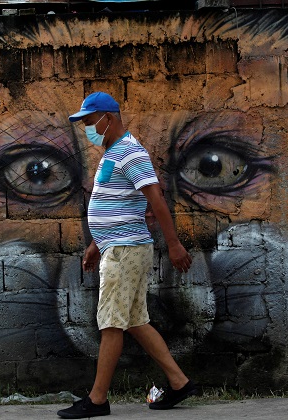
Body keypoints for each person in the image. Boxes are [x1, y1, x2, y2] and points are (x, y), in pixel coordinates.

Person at [57, 92, 198, 419]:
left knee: (110, 322)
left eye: (91, 122)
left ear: (108, 117)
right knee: (135, 320)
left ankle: (97, 399)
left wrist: (174, 244)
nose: (89, 129)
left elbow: (156, 200)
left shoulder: (132, 153)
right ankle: (179, 382)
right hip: (116, 247)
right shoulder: (113, 153)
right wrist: (96, 243)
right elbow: (116, 205)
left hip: (125, 251)